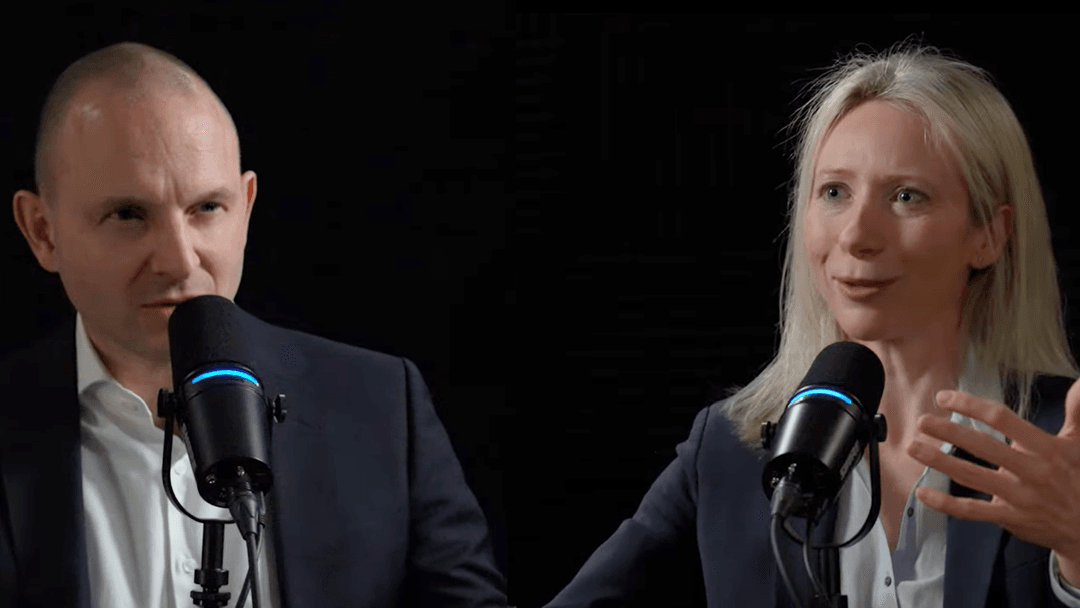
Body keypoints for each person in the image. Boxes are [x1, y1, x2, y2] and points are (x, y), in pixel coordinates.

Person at [544, 42, 1080, 607]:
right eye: (834, 192)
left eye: (906, 196)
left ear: (989, 235)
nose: (856, 235)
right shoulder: (727, 449)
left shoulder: (1062, 449)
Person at [1, 41, 507, 607]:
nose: (180, 261)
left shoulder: (382, 408)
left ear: (245, 206)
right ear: (42, 231)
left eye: (206, 208)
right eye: (128, 214)